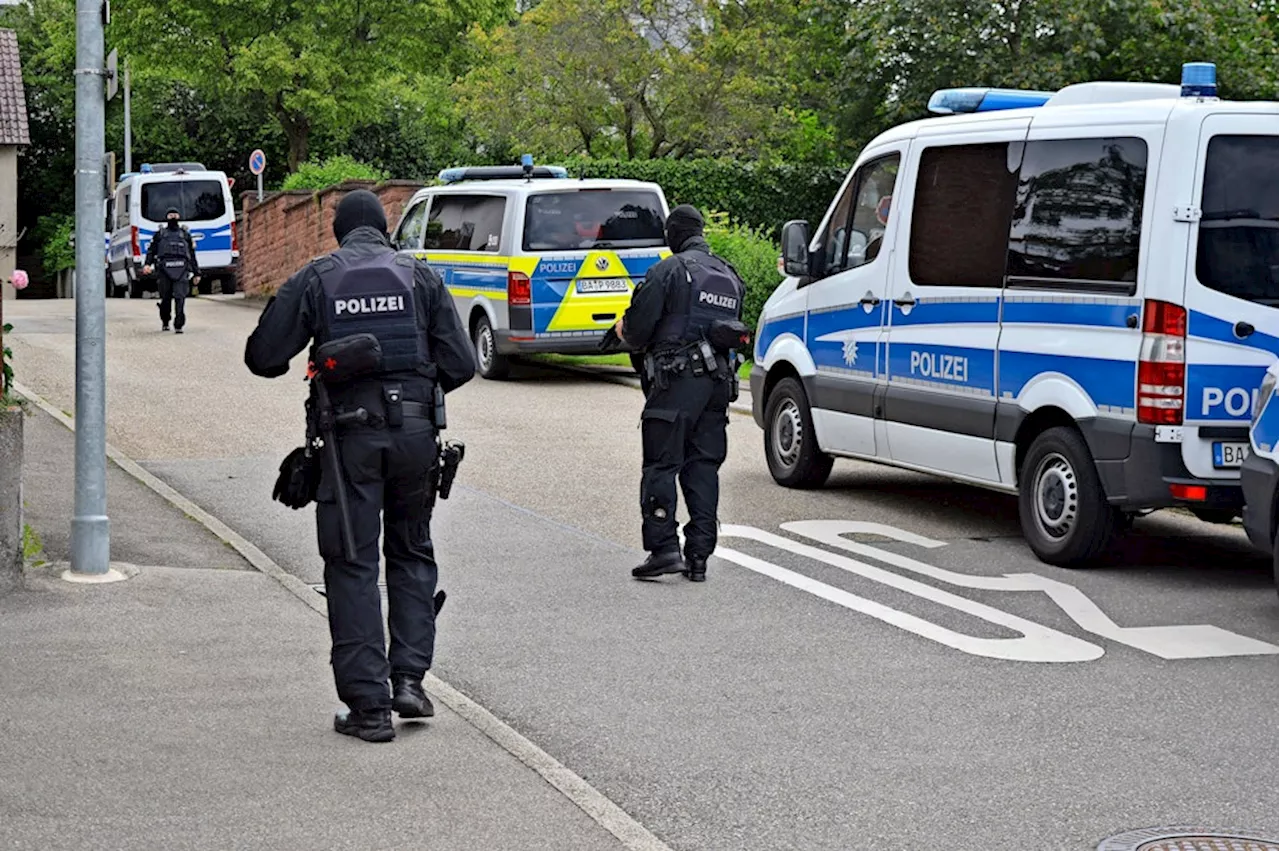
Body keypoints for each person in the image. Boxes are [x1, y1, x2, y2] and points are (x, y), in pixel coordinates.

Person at [243, 190, 476, 743]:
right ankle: (410, 682)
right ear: (386, 228)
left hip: (349, 440)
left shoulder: (318, 277)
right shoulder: (420, 278)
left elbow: (263, 357)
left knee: (352, 564)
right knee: (412, 550)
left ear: (339, 232)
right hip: (417, 438)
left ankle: (370, 708)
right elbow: (462, 364)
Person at [612, 204, 747, 583]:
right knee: (703, 467)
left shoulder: (668, 271)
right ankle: (699, 557)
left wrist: (624, 329)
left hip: (676, 382)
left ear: (674, 235)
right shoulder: (729, 274)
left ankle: (664, 548)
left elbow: (638, 332)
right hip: (718, 385)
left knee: (661, 463)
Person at [142, 208, 200, 333]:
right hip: (164, 270)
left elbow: (191, 254)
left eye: (175, 214)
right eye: (170, 214)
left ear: (179, 216)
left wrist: (197, 273)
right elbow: (151, 251)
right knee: (166, 298)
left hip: (182, 269)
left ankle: (179, 324)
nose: (173, 216)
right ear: (166, 217)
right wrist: (147, 264)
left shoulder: (185, 234)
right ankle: (165, 321)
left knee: (180, 297)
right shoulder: (160, 234)